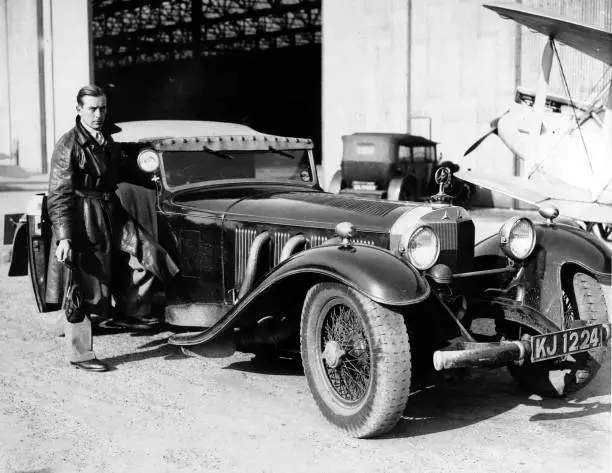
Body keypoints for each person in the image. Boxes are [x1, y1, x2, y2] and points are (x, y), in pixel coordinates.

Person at [46, 85, 178, 372]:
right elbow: (58, 194)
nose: (98, 114)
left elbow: (123, 170)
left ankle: (130, 314)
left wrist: (161, 176)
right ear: (78, 109)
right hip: (83, 218)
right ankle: (80, 354)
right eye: (92, 108)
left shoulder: (106, 139)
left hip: (111, 211)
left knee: (146, 255)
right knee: (81, 286)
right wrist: (64, 238)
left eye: (102, 108)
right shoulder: (68, 145)